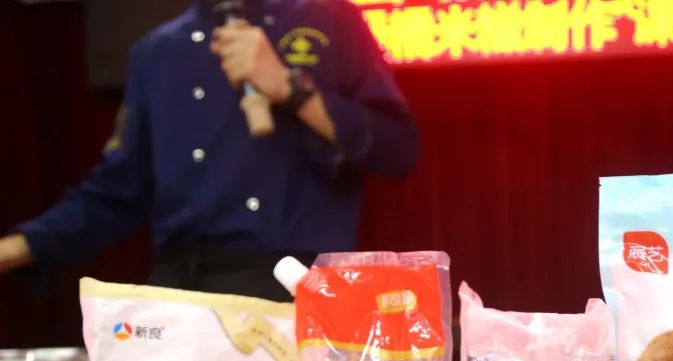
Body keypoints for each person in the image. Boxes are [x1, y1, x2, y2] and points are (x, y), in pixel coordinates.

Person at [0, 0, 418, 300]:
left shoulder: (329, 17)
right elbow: (116, 192)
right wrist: (16, 249)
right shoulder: (157, 51)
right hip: (182, 296)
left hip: (294, 291)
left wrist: (288, 88)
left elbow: (398, 148)